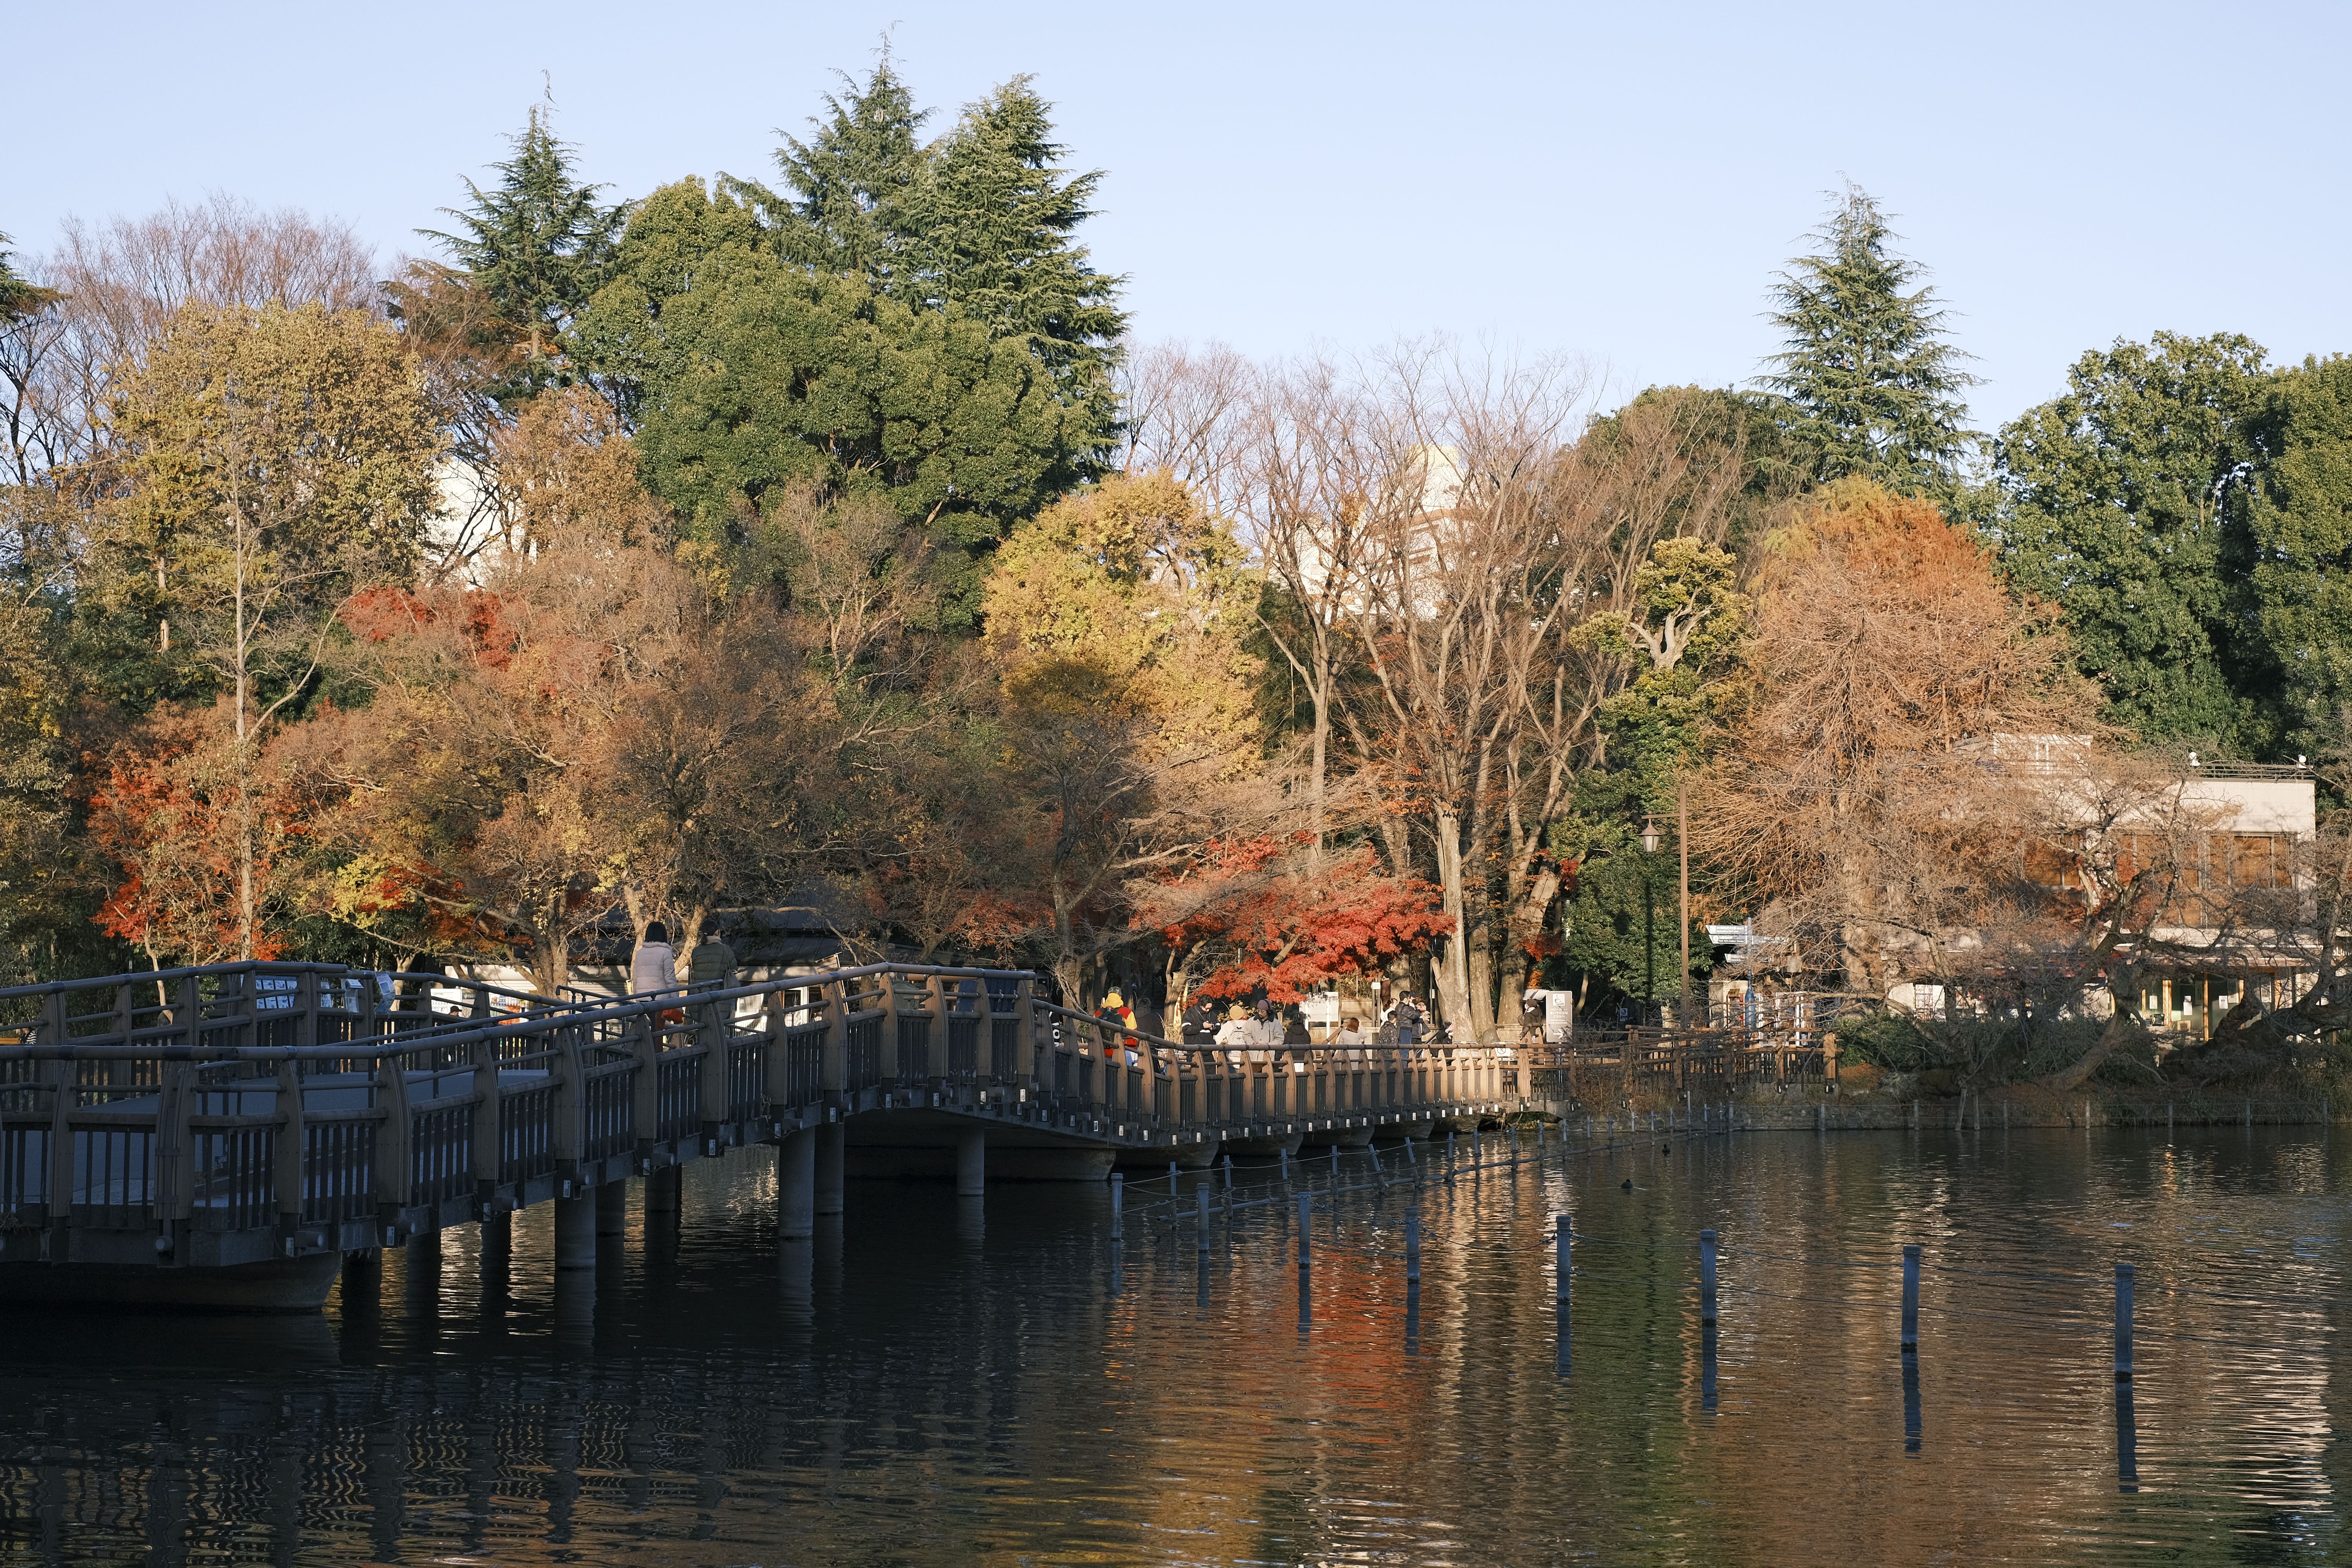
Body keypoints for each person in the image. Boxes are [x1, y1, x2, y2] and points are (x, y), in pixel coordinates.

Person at [632, 922, 682, 1027]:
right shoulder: (665, 952)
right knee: (658, 1031)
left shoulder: (640, 953)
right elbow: (670, 978)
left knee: (652, 1030)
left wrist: (637, 997)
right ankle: (655, 1044)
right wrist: (676, 1002)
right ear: (663, 934)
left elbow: (635, 978)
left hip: (643, 999)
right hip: (660, 999)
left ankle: (648, 1044)